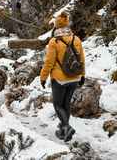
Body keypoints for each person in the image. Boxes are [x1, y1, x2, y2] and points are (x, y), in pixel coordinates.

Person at [40, 11, 85, 142]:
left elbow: (49, 62)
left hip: (60, 79)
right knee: (66, 105)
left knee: (58, 105)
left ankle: (65, 126)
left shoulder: (54, 41)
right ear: (67, 25)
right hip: (75, 77)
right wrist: (83, 75)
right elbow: (82, 59)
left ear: (56, 26)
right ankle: (63, 132)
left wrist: (43, 77)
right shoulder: (76, 39)